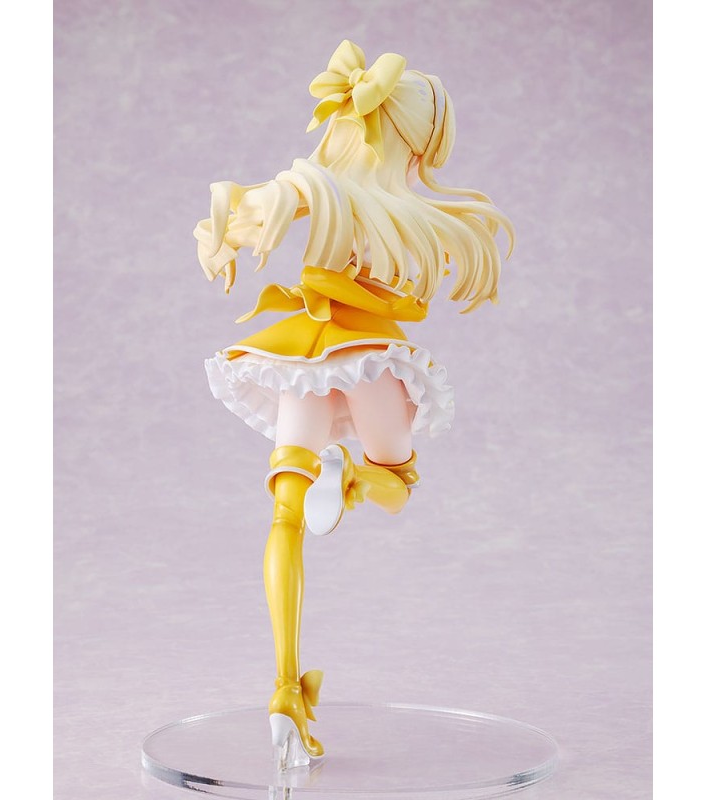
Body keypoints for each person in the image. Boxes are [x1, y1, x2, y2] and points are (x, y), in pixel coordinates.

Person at [194, 39, 514, 763]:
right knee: (395, 482)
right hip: (367, 358)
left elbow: (243, 206)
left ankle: (284, 688)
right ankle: (350, 482)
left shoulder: (315, 184)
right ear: (417, 142)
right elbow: (414, 298)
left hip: (301, 354)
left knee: (284, 514)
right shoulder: (410, 213)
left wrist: (219, 239)